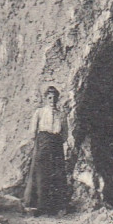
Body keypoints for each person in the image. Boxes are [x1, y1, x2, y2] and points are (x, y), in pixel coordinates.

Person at [23, 86, 69, 214]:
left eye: (54, 98)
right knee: (41, 171)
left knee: (57, 172)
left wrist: (57, 140)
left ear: (58, 99)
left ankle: (55, 206)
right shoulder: (40, 112)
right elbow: (33, 131)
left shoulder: (62, 115)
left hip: (56, 143)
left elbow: (65, 134)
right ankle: (38, 205)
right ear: (45, 98)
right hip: (43, 141)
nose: (52, 100)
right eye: (49, 97)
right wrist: (39, 141)